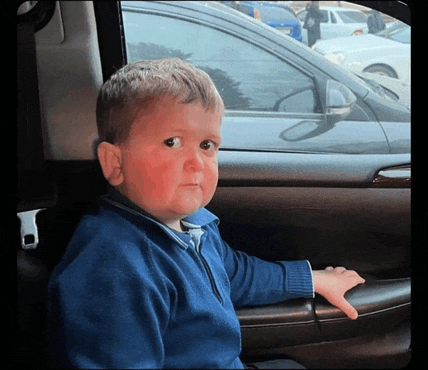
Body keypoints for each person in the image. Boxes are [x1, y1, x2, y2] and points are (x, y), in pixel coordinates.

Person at [47, 58, 365, 369]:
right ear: (115, 163)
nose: (197, 162)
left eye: (207, 145)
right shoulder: (114, 268)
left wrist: (309, 279)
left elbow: (233, 273)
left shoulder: (195, 223)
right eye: (172, 142)